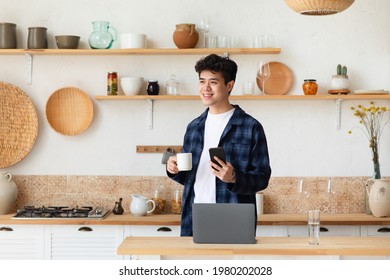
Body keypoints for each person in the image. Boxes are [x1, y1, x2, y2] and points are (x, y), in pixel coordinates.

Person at [166, 54, 271, 236]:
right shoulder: (193, 127)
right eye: (201, 81)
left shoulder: (250, 126)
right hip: (195, 215)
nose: (205, 88)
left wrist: (234, 178)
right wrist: (173, 169)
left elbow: (262, 178)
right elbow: (190, 178)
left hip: (234, 217)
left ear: (229, 85)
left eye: (213, 82)